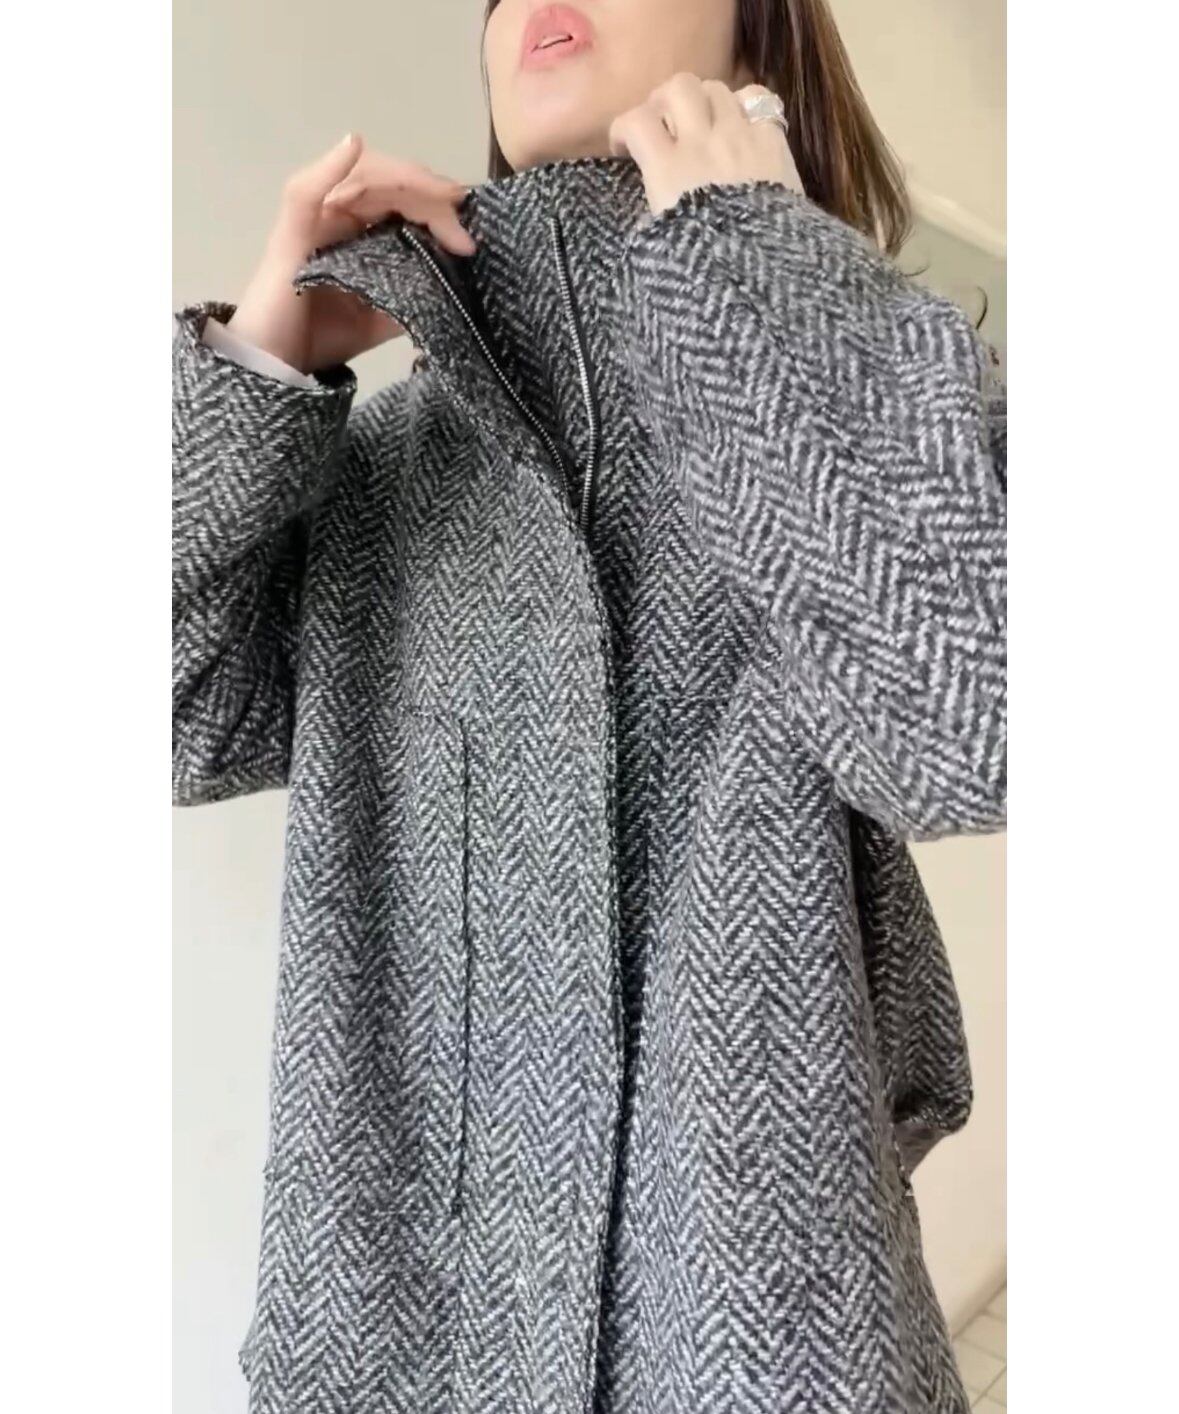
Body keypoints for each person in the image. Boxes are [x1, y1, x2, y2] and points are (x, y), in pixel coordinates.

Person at [172, 1, 1006, 1410]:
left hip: (764, 1325)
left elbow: (973, 719)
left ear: (758, 45)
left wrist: (758, 258)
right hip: (394, 1344)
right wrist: (257, 370)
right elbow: (173, 720)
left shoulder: (831, 396)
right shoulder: (384, 461)